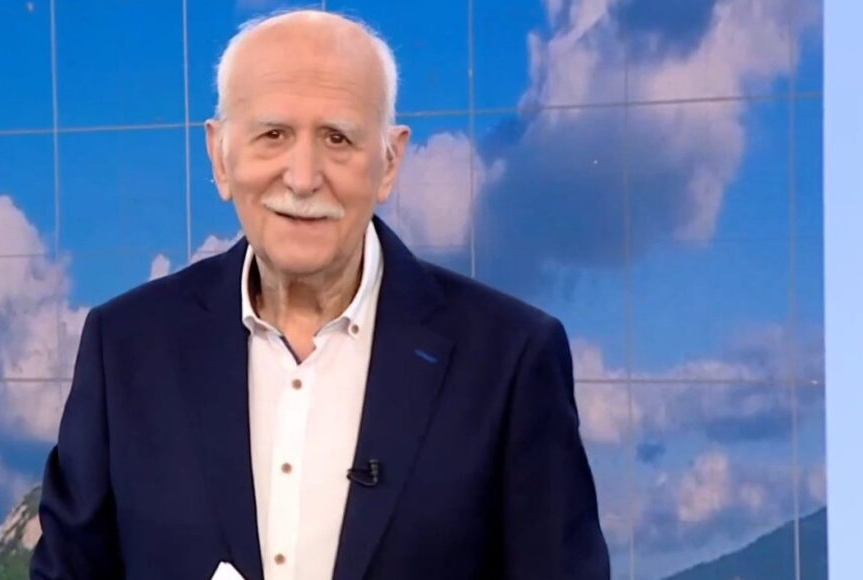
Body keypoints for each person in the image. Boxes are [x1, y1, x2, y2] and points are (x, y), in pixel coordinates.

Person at [31, 8, 609, 580]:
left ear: (389, 162)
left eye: (338, 138)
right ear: (220, 156)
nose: (303, 178)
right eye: (273, 135)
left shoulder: (511, 359)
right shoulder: (125, 347)